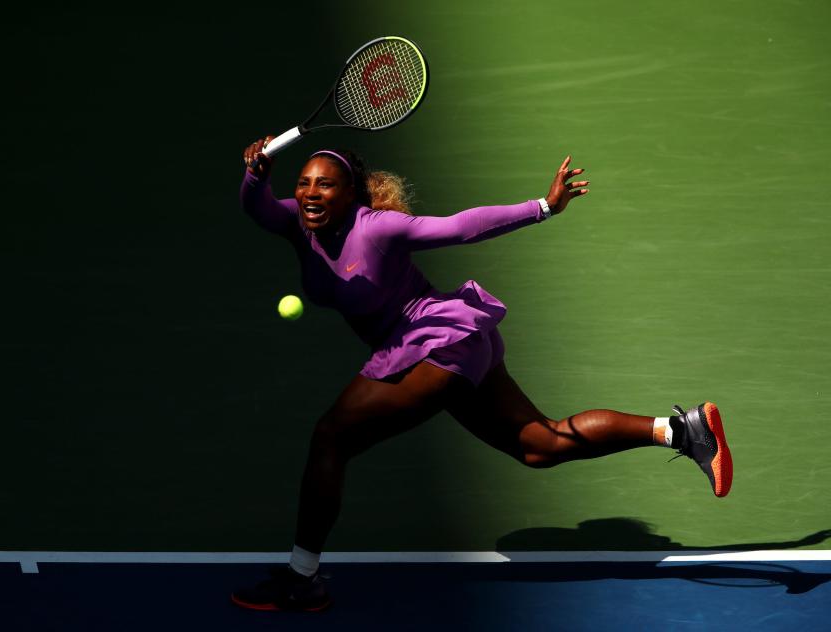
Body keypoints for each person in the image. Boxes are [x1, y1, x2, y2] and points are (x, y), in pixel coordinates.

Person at [230, 135, 733, 612]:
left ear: (351, 194)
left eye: (325, 184)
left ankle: (302, 580)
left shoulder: (377, 227)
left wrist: (544, 206)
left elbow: (461, 226)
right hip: (448, 345)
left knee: (330, 438)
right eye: (303, 183)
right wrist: (256, 174)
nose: (310, 193)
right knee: (542, 445)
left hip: (436, 341)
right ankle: (680, 430)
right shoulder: (300, 221)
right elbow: (257, 208)